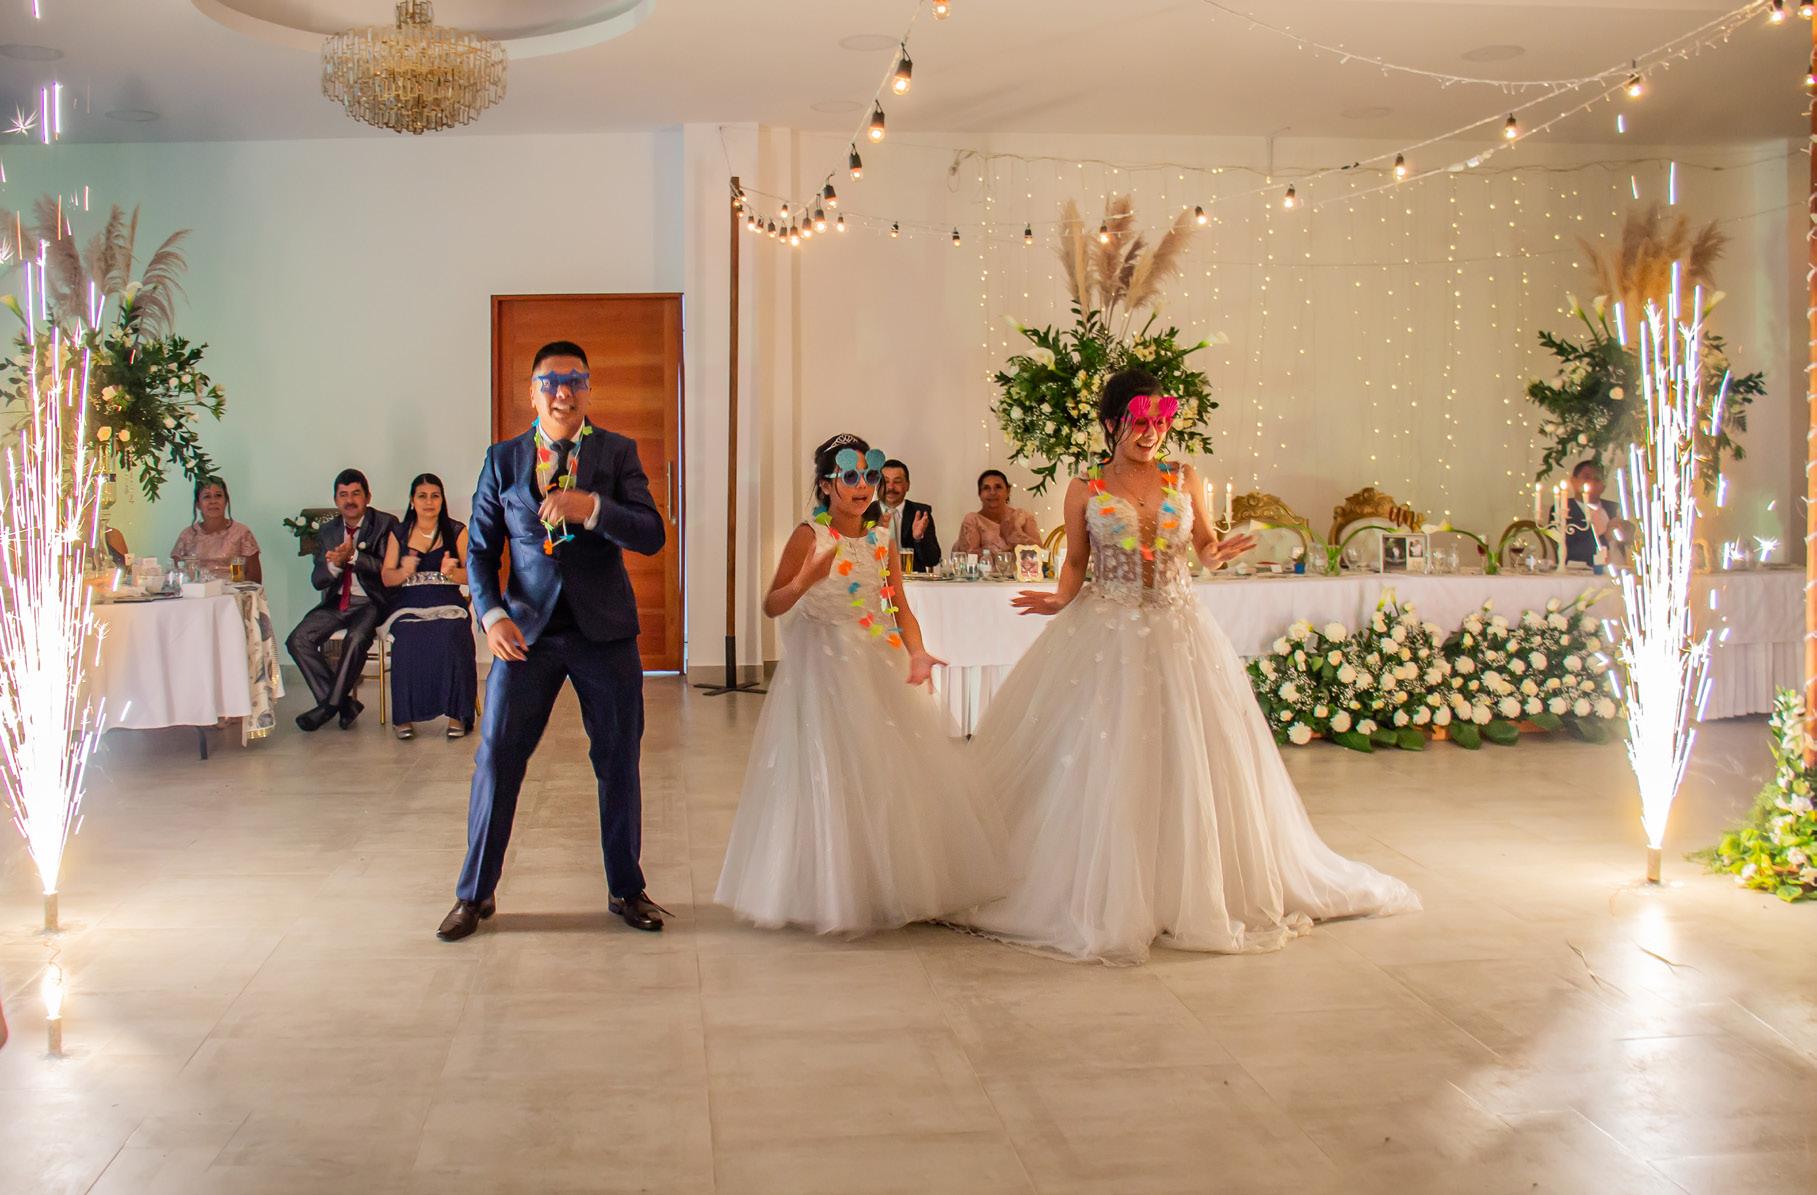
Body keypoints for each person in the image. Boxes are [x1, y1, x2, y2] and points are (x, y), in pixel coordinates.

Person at [956, 370, 1420, 964]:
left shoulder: (1183, 477)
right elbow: (1075, 560)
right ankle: (1112, 892)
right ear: (1112, 422)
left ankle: (1190, 888)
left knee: (1194, 755)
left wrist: (1216, 552)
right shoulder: (1085, 487)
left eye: (1160, 421)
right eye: (1139, 421)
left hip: (1181, 629)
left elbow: (1204, 544)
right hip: (1107, 631)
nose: (1151, 432)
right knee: (1111, 757)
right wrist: (1057, 599)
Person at [715, 434, 1004, 934]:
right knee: (830, 771)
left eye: (869, 476)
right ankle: (831, 889)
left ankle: (888, 882)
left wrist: (916, 651)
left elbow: (898, 605)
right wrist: (804, 580)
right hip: (822, 669)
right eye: (850, 476)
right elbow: (772, 604)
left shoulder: (881, 536)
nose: (863, 486)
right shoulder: (809, 534)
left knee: (886, 771)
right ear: (827, 485)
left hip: (876, 660)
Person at [438, 341, 668, 942]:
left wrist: (592, 507)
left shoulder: (617, 452)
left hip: (605, 633)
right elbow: (480, 550)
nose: (563, 392)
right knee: (497, 758)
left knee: (618, 760)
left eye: (575, 380)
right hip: (525, 634)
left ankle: (626, 888)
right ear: (532, 392)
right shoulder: (503, 459)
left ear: (588, 389)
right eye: (550, 382)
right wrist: (491, 615)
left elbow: (651, 534)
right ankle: (474, 894)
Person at [286, 469, 397, 732]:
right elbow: (318, 580)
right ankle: (343, 704)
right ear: (336, 500)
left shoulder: (385, 523)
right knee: (297, 640)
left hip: (372, 601)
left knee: (356, 638)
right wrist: (334, 565)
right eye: (343, 495)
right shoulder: (328, 531)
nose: (350, 500)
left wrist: (354, 558)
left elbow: (387, 569)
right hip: (338, 602)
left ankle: (328, 707)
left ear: (368, 497)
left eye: (356, 494)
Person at [380, 473, 477, 741]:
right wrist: (403, 572)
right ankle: (404, 717)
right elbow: (386, 578)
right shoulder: (399, 533)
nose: (429, 502)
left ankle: (457, 714)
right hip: (409, 603)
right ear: (412, 501)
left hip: (447, 601)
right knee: (408, 635)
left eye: (435, 496)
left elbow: (473, 576)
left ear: (442, 500)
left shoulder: (456, 531)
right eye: (422, 496)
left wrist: (451, 573)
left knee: (452, 633)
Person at [170, 475, 262, 582]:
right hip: (197, 591)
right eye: (207, 496)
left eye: (218, 495)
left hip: (232, 591)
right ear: (198, 504)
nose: (213, 501)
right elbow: (175, 574)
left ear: (226, 501)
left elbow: (254, 578)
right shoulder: (187, 535)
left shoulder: (241, 533)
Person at [1545, 459, 1623, 569]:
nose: (1592, 483)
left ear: (1604, 485)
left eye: (1597, 479)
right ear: (1573, 481)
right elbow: (1569, 551)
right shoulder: (1563, 509)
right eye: (1586, 477)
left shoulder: (1615, 508)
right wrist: (1605, 537)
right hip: (1582, 571)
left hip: (1621, 569)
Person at [952, 469, 1040, 556]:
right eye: (986, 488)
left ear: (1008, 491)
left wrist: (1014, 535)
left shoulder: (1022, 517)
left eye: (998, 487)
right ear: (980, 494)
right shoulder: (973, 520)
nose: (992, 492)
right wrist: (998, 549)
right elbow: (970, 557)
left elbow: (1040, 554)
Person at [878, 458, 941, 573]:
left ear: (907, 485)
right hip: (877, 579)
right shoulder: (866, 514)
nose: (890, 487)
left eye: (897, 481)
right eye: (885, 482)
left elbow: (932, 560)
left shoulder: (920, 513)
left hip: (912, 581)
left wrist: (918, 538)